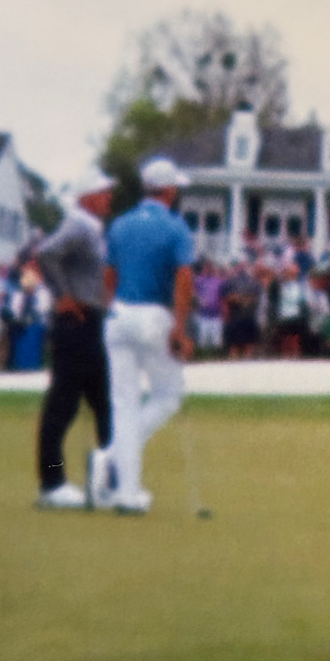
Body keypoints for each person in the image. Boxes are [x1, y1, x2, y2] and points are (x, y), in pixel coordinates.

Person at [103, 157, 195, 515]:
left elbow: (108, 276)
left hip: (119, 315)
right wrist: (180, 329)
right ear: (169, 190)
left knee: (124, 405)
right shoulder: (175, 227)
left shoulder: (120, 225)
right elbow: (184, 280)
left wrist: (112, 308)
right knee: (168, 395)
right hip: (154, 316)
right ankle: (115, 463)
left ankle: (123, 484)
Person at [33, 169, 115, 510]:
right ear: (87, 197)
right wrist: (61, 293)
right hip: (76, 321)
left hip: (94, 320)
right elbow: (45, 253)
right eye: (103, 192)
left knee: (104, 405)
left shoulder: (93, 229)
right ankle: (52, 483)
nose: (109, 197)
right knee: (63, 406)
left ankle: (109, 482)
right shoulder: (78, 225)